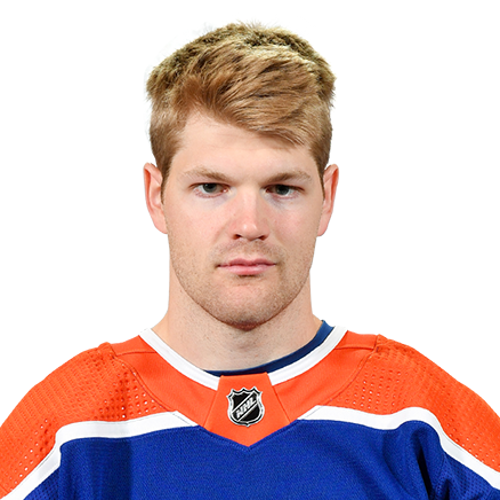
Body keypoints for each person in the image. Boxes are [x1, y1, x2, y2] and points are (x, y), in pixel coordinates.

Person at [1, 15, 499, 500]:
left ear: (328, 197)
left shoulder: (423, 419)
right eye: (211, 187)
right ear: (155, 196)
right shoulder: (64, 430)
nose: (249, 224)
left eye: (281, 188)